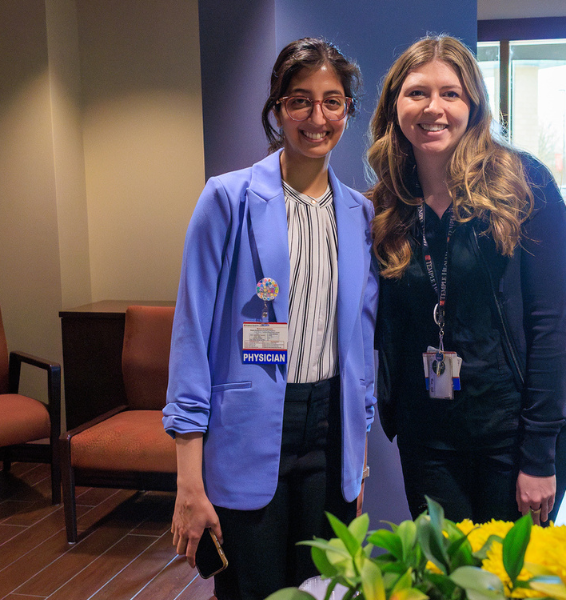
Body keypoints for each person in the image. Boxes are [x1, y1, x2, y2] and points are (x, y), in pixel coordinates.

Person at [163, 38, 377, 600]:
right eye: (300, 100)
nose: (316, 117)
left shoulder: (360, 214)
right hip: (246, 431)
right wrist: (189, 479)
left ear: (348, 112)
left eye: (333, 102)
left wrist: (358, 455)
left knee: (324, 590)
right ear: (278, 108)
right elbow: (191, 336)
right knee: (251, 590)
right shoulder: (227, 200)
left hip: (330, 435)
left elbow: (362, 342)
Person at [368, 35, 566, 526]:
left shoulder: (524, 185)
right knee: (445, 578)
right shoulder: (386, 205)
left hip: (515, 434)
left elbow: (551, 325)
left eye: (451, 93)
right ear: (395, 105)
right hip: (428, 439)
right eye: (417, 93)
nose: (434, 108)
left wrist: (538, 455)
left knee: (505, 582)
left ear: (474, 104)